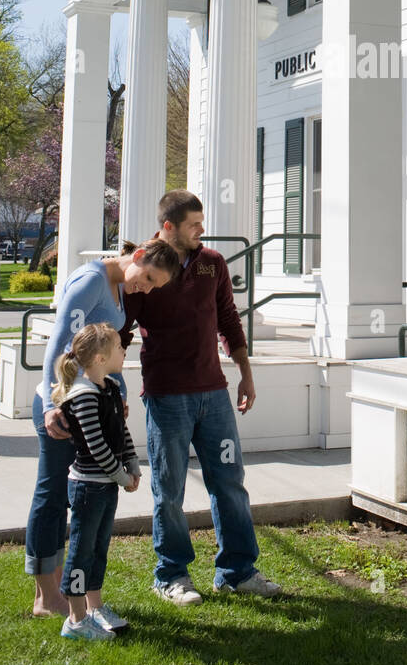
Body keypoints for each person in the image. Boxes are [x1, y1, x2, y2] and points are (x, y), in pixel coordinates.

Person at [122, 190, 281, 603]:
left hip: (214, 394)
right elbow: (120, 331)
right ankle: (171, 575)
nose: (202, 230)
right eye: (194, 224)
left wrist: (246, 374)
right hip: (167, 397)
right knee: (169, 489)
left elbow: (228, 318)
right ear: (169, 227)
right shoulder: (145, 267)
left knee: (230, 483)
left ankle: (237, 571)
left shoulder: (212, 263)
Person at [26, 237, 180, 617]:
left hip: (88, 406)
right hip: (64, 408)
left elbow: (98, 352)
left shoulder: (117, 287)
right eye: (146, 278)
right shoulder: (92, 281)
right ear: (138, 256)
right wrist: (50, 405)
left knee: (72, 497)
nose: (144, 288)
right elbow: (60, 345)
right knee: (52, 495)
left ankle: (64, 591)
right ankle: (46, 597)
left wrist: (115, 391)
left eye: (152, 286)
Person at [52, 322, 141, 641]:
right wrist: (120, 475)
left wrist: (132, 464)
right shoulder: (84, 395)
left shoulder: (111, 388)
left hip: (107, 485)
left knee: (99, 547)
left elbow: (121, 431)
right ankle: (75, 620)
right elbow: (95, 444)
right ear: (101, 358)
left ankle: (95, 608)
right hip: (89, 486)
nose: (124, 350)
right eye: (119, 346)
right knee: (81, 550)